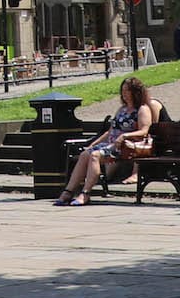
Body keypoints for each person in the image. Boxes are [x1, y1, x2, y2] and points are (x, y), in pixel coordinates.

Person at [54, 75, 160, 206]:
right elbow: (110, 132)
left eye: (127, 91)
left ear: (136, 92)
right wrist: (93, 144)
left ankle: (85, 193)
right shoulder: (122, 109)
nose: (124, 94)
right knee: (85, 155)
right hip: (111, 145)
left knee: (95, 156)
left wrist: (124, 136)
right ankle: (68, 192)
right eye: (123, 91)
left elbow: (144, 131)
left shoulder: (142, 109)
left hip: (126, 147)